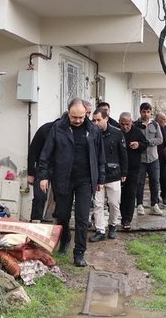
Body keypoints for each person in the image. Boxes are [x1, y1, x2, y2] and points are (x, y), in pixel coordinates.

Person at [38, 98, 105, 267]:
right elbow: (46, 154)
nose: (78, 120)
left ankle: (79, 252)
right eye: (75, 117)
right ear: (69, 113)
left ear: (86, 114)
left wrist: (100, 179)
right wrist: (43, 176)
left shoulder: (93, 130)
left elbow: (100, 156)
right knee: (62, 215)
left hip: (85, 180)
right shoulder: (57, 129)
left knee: (82, 218)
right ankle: (65, 237)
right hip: (63, 179)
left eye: (81, 117)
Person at [90, 108, 127, 241]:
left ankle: (112, 225)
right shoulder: (91, 134)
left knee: (114, 203)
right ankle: (100, 230)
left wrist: (124, 172)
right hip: (97, 176)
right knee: (97, 204)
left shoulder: (117, 133)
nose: (95, 123)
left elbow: (123, 153)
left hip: (114, 174)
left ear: (106, 118)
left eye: (98, 120)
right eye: (93, 120)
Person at [118, 112, 148, 230]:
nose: (125, 127)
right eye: (122, 124)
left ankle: (127, 219)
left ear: (131, 122)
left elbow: (145, 144)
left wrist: (138, 144)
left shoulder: (137, 132)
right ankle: (121, 215)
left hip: (134, 168)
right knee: (120, 195)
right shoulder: (117, 132)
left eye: (127, 124)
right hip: (119, 169)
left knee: (131, 194)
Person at [134, 102, 164, 216]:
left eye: (148, 112)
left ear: (151, 112)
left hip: (153, 158)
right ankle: (140, 205)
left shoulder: (155, 125)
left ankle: (154, 205)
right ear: (140, 112)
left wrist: (148, 142)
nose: (146, 114)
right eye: (143, 112)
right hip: (140, 159)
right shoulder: (136, 125)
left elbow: (160, 139)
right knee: (139, 183)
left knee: (155, 182)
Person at [27, 119, 57, 222]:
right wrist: (30, 173)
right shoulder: (45, 129)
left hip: (59, 167)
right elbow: (33, 151)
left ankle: (51, 218)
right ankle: (35, 219)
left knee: (58, 197)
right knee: (40, 196)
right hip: (42, 166)